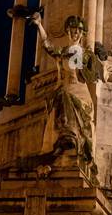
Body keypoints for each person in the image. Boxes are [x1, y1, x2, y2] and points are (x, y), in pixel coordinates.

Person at [29, 13, 102, 175]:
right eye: (72, 30)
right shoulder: (61, 52)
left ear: (82, 34)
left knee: (65, 99)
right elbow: (47, 45)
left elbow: (94, 73)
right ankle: (63, 141)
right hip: (63, 90)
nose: (75, 33)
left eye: (78, 31)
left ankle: (69, 139)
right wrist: (39, 25)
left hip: (80, 94)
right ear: (67, 32)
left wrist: (96, 60)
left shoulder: (86, 54)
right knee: (61, 98)